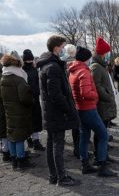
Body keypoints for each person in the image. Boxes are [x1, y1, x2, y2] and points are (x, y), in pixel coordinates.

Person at [36, 35, 80, 186]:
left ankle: (53, 175)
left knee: (51, 143)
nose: (64, 50)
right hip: (56, 113)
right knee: (57, 145)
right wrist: (68, 109)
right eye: (62, 47)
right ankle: (61, 177)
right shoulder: (53, 67)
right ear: (56, 49)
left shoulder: (49, 64)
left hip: (51, 112)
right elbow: (55, 94)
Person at [68, 46, 117, 177]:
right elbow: (85, 92)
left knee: (84, 137)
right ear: (86, 58)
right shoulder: (83, 72)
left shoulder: (73, 70)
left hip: (80, 108)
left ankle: (85, 164)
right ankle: (102, 166)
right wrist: (95, 95)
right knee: (103, 135)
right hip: (88, 108)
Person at [0, 51, 35, 170]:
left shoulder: (3, 78)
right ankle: (21, 160)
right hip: (20, 111)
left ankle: (14, 158)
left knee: (11, 134)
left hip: (8, 110)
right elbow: (26, 98)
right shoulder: (19, 79)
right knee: (19, 136)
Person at [90, 37, 117, 160]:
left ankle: (104, 154)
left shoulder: (102, 66)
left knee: (104, 131)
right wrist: (107, 96)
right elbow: (96, 85)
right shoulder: (96, 66)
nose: (108, 55)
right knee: (100, 132)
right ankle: (99, 157)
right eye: (106, 53)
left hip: (105, 103)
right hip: (102, 104)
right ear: (101, 54)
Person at [22, 49, 45, 151]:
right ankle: (35, 141)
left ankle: (30, 139)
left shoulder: (22, 70)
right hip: (33, 98)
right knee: (34, 120)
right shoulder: (33, 70)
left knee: (28, 120)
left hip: (26, 99)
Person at [61, 44, 80, 159]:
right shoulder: (75, 64)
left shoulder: (61, 63)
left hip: (66, 96)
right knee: (76, 125)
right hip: (73, 96)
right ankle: (78, 149)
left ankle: (74, 146)